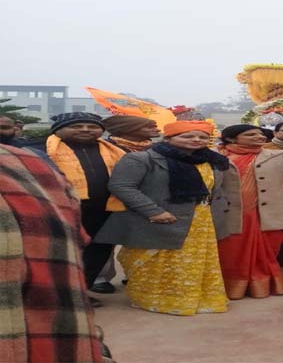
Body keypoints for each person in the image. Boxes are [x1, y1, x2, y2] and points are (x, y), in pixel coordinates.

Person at [94, 121, 242, 315]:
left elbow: (218, 190)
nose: (196, 140)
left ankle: (193, 298)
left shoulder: (214, 161)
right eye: (187, 136)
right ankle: (154, 299)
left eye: (202, 137)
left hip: (201, 221)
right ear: (168, 138)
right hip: (158, 219)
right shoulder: (141, 158)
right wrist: (154, 211)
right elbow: (122, 186)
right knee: (154, 262)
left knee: (193, 263)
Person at [0, 144, 108, 362]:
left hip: (48, 335)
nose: (86, 130)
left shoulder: (27, 162)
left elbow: (67, 252)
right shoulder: (30, 159)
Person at [216, 124, 283, 297]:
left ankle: (262, 287)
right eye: (251, 135)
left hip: (266, 213)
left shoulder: (275, 155)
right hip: (232, 213)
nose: (258, 137)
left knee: (268, 251)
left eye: (259, 134)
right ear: (230, 138)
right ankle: (233, 288)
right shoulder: (218, 157)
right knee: (232, 251)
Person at [36, 113, 128, 308]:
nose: (85, 130)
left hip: (105, 211)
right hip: (57, 211)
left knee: (98, 252)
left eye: (92, 126)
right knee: (61, 252)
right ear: (58, 129)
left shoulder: (116, 150)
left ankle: (81, 293)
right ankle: (55, 294)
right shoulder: (38, 150)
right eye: (77, 126)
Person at [90, 115, 162, 295]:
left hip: (146, 201)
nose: (156, 130)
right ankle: (99, 278)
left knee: (141, 241)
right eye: (149, 126)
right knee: (104, 240)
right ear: (127, 129)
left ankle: (137, 274)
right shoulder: (102, 147)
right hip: (107, 200)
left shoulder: (158, 149)